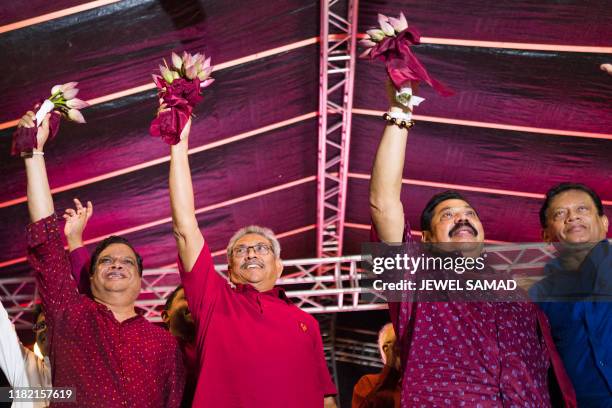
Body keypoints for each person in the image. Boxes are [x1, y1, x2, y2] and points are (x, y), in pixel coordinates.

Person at [368, 82, 576, 407]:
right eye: (447, 215)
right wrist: (400, 111)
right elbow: (383, 204)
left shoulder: (517, 295)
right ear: (427, 239)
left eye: (469, 214)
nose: (462, 218)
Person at [20, 111, 185, 407]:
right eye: (106, 261)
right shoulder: (69, 314)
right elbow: (46, 239)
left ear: (139, 280)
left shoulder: (164, 344)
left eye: (127, 262)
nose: (117, 264)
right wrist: (33, 153)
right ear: (91, 277)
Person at [168, 118, 338, 407]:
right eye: (240, 251)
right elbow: (185, 226)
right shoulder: (214, 301)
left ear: (280, 266)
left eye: (262, 248)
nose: (251, 253)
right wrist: (178, 145)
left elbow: (327, 400)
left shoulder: (306, 323)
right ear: (230, 268)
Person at [62, 198, 198, 407]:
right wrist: (74, 241)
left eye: (126, 262)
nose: (193, 305)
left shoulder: (168, 344)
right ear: (165, 314)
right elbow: (98, 292)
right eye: (185, 298)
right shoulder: (145, 339)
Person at [530, 183, 611, 407]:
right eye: (560, 213)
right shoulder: (539, 297)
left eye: (582, 209)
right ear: (546, 235)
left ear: (604, 223)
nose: (572, 217)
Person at [0, 301, 51, 408]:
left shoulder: (84, 370)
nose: (44, 330)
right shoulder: (28, 365)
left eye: (50, 323)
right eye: (40, 326)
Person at [352, 323, 400, 408]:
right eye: (398, 345)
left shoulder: (421, 384)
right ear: (386, 349)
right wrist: (391, 364)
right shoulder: (368, 383)